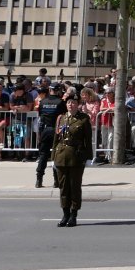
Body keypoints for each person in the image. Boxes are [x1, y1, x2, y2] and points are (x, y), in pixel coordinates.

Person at [53, 88, 94, 227]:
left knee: (74, 187)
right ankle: (65, 214)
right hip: (61, 155)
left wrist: (89, 157)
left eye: (74, 102)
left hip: (76, 156)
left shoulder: (83, 119)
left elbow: (88, 139)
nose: (71, 105)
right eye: (69, 102)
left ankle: (73, 215)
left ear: (78, 104)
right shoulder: (61, 118)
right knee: (63, 187)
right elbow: (56, 138)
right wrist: (53, 157)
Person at [34, 85, 66, 188]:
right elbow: (63, 116)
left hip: (45, 130)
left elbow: (40, 116)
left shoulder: (43, 101)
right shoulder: (61, 102)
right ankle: (56, 180)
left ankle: (39, 180)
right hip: (56, 130)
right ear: (58, 91)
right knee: (56, 155)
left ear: (49, 90)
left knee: (43, 155)